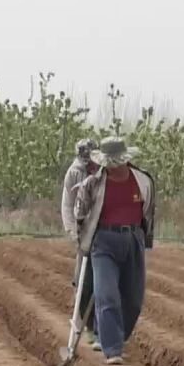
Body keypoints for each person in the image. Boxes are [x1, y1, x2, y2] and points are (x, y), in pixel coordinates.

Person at [72, 136, 156, 365]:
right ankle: (112, 348)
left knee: (133, 299)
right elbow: (80, 213)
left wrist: (142, 238)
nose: (111, 166)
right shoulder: (92, 183)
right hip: (103, 241)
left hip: (133, 239)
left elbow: (148, 211)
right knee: (106, 293)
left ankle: (113, 334)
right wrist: (83, 240)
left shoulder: (143, 181)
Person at [62, 138, 101, 350]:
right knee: (83, 281)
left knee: (101, 282)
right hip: (83, 232)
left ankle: (99, 327)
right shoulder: (74, 173)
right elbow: (67, 204)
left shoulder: (104, 171)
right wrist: (72, 231)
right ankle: (86, 325)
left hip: (103, 231)